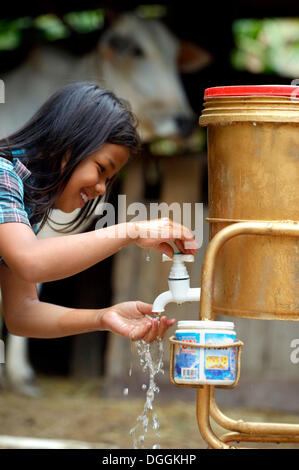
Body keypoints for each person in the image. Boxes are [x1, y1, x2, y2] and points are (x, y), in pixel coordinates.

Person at [0, 82, 198, 344]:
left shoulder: (26, 198)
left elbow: (22, 313)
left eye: (109, 178)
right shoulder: (3, 175)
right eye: (101, 168)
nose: (100, 187)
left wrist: (103, 317)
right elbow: (31, 261)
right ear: (67, 145)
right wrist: (132, 230)